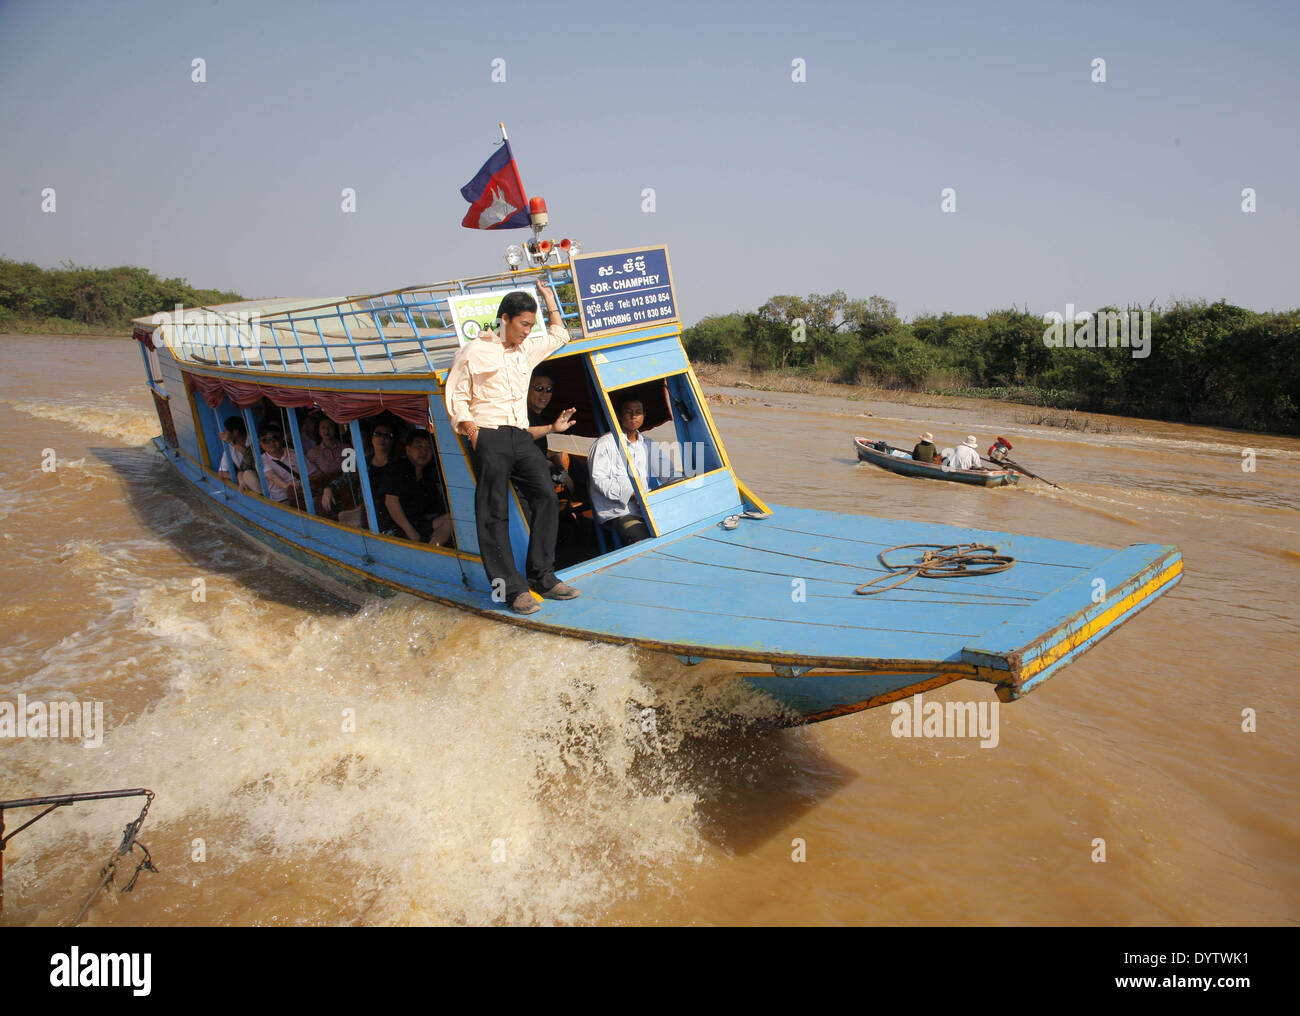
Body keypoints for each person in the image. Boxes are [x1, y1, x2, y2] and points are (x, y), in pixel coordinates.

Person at [444, 280, 579, 614]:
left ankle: (543, 576)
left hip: (520, 435)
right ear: (504, 319)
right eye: (523, 324)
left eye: (531, 326)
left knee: (546, 496)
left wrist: (549, 300)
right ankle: (511, 589)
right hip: (489, 435)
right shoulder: (474, 351)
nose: (526, 331)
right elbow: (456, 395)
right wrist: (473, 432)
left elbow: (561, 335)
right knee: (493, 512)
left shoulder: (527, 348)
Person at [589, 396, 662, 544]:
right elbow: (599, 480)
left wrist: (681, 481)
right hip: (620, 511)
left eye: (638, 412)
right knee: (643, 540)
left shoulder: (648, 443)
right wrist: (631, 494)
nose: (634, 416)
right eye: (628, 411)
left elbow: (668, 471)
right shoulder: (604, 444)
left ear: (644, 415)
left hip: (647, 506)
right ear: (619, 415)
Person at [381, 430, 453, 545]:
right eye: (418, 446)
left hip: (419, 524)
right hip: (398, 528)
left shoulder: (429, 476)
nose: (424, 451)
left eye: (428, 447)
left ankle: (433, 550)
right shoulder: (397, 469)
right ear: (408, 449)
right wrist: (410, 531)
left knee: (453, 519)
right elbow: (391, 503)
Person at [526, 366, 578, 493]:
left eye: (548, 389)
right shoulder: (521, 415)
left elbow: (543, 450)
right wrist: (552, 428)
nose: (544, 394)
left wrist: (561, 468)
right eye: (539, 389)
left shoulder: (538, 417)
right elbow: (520, 434)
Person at [259, 428, 306, 504]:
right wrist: (287, 485)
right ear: (260, 444)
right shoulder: (260, 460)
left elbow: (311, 472)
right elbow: (272, 476)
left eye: (275, 438)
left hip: (302, 494)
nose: (271, 443)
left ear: (281, 439)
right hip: (281, 499)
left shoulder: (293, 453)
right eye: (265, 440)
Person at [218, 416, 259, 493]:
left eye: (226, 431)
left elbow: (251, 455)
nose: (225, 433)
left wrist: (232, 442)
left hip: (261, 476)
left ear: (235, 431)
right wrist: (239, 477)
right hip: (246, 478)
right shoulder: (230, 447)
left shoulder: (254, 440)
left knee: (248, 474)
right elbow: (221, 472)